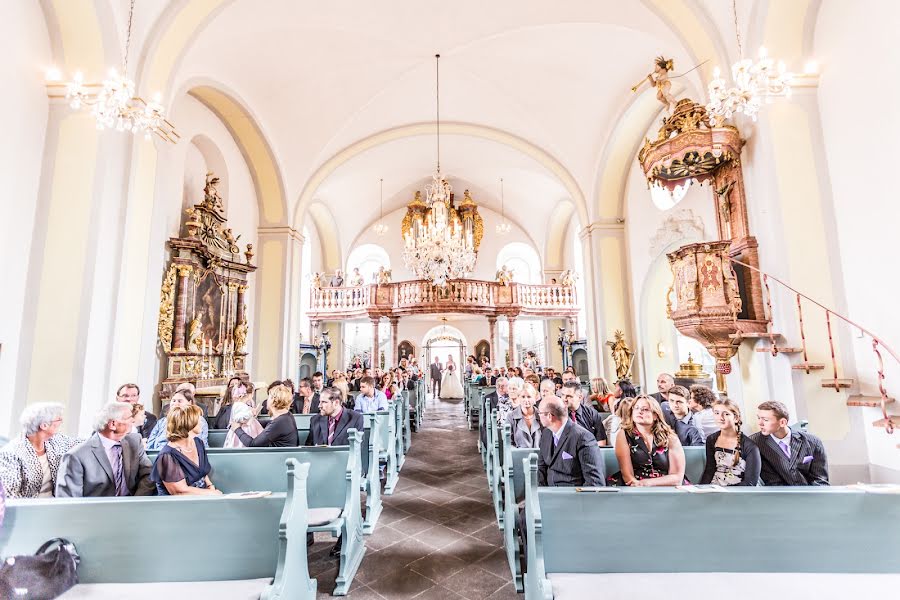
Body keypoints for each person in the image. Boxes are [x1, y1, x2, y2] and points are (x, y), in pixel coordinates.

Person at [56, 402, 155, 497]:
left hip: (133, 509)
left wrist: (136, 503)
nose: (133, 421)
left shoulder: (134, 441)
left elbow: (148, 474)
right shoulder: (76, 456)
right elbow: (69, 499)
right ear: (112, 424)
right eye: (129, 418)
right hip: (94, 511)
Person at [0, 403, 81, 498]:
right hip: (27, 509)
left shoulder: (56, 440)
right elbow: (8, 495)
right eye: (58, 419)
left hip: (55, 506)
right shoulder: (11, 453)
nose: (61, 421)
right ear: (44, 425)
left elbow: (83, 443)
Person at [609, 395, 686, 486]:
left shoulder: (670, 437)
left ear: (655, 415)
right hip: (634, 486)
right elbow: (628, 476)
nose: (639, 412)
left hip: (666, 485)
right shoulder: (623, 435)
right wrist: (640, 486)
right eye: (636, 408)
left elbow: (677, 477)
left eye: (645, 409)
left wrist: (648, 483)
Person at [751, 400, 829, 486]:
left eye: (765, 420)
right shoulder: (754, 443)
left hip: (810, 495)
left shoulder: (813, 442)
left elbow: (820, 480)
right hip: (777, 496)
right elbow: (769, 481)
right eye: (759, 418)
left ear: (782, 422)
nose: (760, 423)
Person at [150, 405, 221, 496]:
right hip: (179, 505)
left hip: (202, 498)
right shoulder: (167, 456)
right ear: (188, 423)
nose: (201, 423)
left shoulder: (198, 442)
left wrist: (210, 486)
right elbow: (179, 491)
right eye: (198, 419)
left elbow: (202, 473)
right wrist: (211, 494)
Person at [536, 396, 604, 487]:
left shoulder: (583, 438)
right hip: (548, 494)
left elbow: (594, 482)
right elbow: (541, 469)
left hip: (573, 496)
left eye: (540, 413)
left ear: (549, 416)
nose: (538, 416)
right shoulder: (546, 434)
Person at [700, 398, 761, 486]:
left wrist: (727, 493)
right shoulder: (711, 439)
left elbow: (750, 482)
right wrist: (700, 490)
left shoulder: (749, 446)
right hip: (716, 488)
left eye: (726, 414)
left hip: (740, 493)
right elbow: (710, 470)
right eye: (717, 413)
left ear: (736, 418)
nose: (720, 418)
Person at [231, 385, 299, 447]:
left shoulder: (280, 422)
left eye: (268, 397)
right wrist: (249, 420)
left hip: (278, 458)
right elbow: (269, 423)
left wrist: (237, 429)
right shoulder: (287, 416)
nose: (267, 400)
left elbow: (253, 444)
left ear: (273, 400)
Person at [559, 381, 608, 446]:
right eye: (562, 395)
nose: (564, 399)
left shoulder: (592, 414)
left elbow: (601, 441)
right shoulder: (557, 415)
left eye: (569, 396)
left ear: (580, 397)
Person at [507, 383, 542, 448]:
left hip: (540, 455)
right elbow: (508, 443)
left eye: (529, 397)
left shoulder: (541, 415)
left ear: (534, 398)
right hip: (518, 456)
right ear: (519, 398)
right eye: (523, 397)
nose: (526, 400)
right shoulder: (511, 417)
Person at [482, 377, 509, 448]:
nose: (507, 388)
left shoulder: (510, 397)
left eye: (507, 385)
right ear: (499, 387)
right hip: (495, 426)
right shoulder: (489, 398)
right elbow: (485, 419)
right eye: (506, 386)